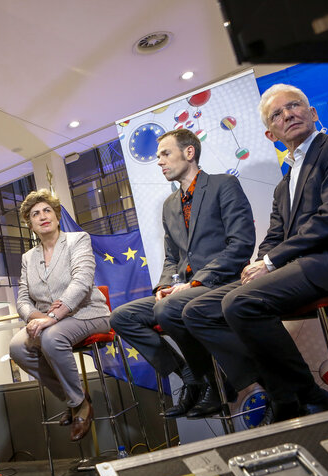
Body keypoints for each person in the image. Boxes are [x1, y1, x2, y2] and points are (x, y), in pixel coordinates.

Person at [184, 83, 328, 424]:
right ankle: (287, 392)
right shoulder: (284, 182)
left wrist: (270, 263)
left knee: (240, 302)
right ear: (270, 133)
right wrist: (257, 264)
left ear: (313, 113)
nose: (288, 114)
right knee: (199, 308)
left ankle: (301, 397)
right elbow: (275, 236)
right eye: (277, 114)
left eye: (294, 106)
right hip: (308, 266)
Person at [110, 129, 256, 419]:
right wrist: (164, 285)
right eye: (157, 156)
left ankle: (216, 385)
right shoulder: (169, 205)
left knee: (169, 308)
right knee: (122, 317)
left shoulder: (224, 185)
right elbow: (171, 257)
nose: (159, 162)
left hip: (221, 283)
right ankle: (192, 377)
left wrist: (196, 282)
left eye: (165, 154)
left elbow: (241, 245)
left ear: (189, 153)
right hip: (182, 291)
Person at [9, 189, 110, 442]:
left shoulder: (78, 240)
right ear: (30, 224)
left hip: (87, 312)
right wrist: (34, 317)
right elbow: (22, 297)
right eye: (35, 214)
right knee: (17, 347)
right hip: (47, 320)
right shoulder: (28, 257)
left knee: (51, 338)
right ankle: (76, 398)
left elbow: (82, 281)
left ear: (56, 215)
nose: (42, 216)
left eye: (47, 210)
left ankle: (80, 407)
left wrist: (51, 318)